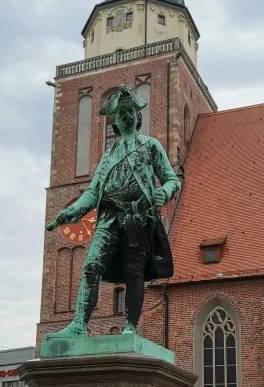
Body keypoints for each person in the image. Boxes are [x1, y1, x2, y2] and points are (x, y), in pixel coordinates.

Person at [46, 84, 180, 337]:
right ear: (115, 121)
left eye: (131, 111)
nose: (127, 116)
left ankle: (130, 327)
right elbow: (94, 192)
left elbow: (172, 178)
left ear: (137, 117)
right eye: (121, 113)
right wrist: (74, 210)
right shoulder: (107, 156)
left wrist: (166, 191)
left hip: (136, 218)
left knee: (134, 273)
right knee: (91, 264)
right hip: (108, 218)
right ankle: (78, 325)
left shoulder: (150, 145)